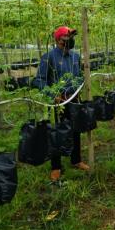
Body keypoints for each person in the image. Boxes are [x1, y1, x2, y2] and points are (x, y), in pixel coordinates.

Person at [33, 26, 90, 182]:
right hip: (59, 102)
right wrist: (54, 95)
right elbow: (38, 80)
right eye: (68, 37)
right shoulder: (48, 57)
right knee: (57, 132)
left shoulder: (75, 57)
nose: (71, 40)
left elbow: (79, 76)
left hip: (74, 98)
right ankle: (56, 167)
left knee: (76, 130)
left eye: (72, 37)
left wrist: (79, 87)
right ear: (59, 40)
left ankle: (76, 160)